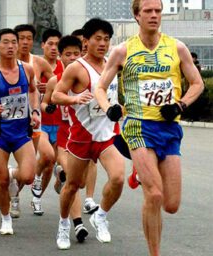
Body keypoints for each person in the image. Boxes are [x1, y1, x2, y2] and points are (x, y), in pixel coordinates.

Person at [94, 1, 204, 255]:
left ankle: (140, 173)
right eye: (148, 11)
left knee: (171, 204)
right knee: (153, 195)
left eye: (158, 11)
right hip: (138, 127)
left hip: (169, 129)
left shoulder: (177, 48)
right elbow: (100, 87)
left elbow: (197, 84)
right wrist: (109, 107)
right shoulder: (123, 51)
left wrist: (180, 106)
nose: (154, 15)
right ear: (137, 15)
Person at [52, 18, 125, 249]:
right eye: (98, 39)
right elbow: (56, 95)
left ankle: (100, 216)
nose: (102, 43)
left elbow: (113, 97)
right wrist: (74, 98)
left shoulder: (112, 65)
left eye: (106, 39)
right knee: (73, 185)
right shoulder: (77, 68)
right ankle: (64, 224)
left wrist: (119, 108)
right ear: (86, 41)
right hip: (81, 135)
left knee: (118, 178)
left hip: (106, 135)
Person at [0, 28, 40, 235]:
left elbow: (33, 91)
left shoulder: (27, 69)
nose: (11, 46)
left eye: (14, 42)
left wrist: (35, 111)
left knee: (29, 176)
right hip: (0, 134)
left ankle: (14, 173)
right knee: (1, 180)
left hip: (22, 132)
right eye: (6, 42)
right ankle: (6, 220)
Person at [42, 35, 89, 243]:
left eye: (76, 54)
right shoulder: (55, 81)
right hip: (64, 135)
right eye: (67, 54)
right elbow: (44, 103)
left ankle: (60, 180)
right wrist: (48, 107)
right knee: (73, 178)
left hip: (85, 134)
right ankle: (77, 223)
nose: (72, 58)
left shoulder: (88, 78)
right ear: (59, 56)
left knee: (80, 181)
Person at [13, 24, 55, 217]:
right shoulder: (6, 64)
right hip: (12, 123)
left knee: (47, 156)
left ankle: (35, 194)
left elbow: (59, 84)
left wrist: (48, 88)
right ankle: (13, 196)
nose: (25, 42)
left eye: (29, 38)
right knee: (24, 169)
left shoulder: (38, 63)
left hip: (35, 120)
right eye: (21, 38)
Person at [70, 28, 101, 215]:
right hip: (69, 128)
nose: (82, 47)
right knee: (75, 182)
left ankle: (89, 198)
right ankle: (67, 220)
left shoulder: (99, 67)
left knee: (93, 161)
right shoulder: (68, 70)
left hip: (95, 125)